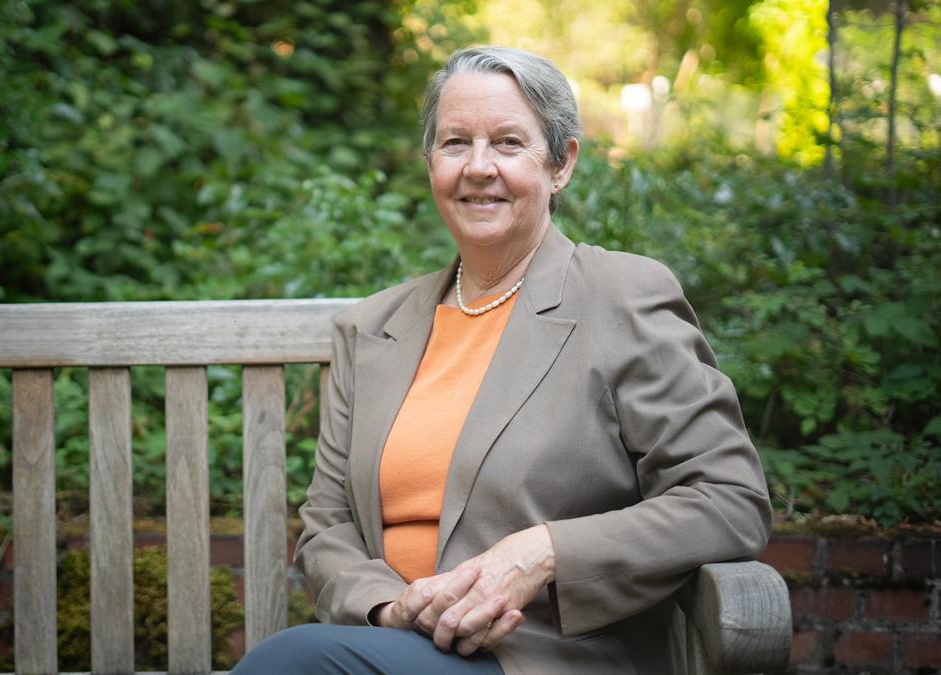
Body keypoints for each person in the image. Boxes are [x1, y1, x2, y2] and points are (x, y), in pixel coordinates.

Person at [232, 46, 771, 675]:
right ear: (430, 162)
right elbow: (327, 524)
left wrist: (544, 553)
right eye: (455, 142)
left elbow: (729, 500)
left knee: (288, 665)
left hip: (543, 656)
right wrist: (389, 607)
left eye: (509, 143)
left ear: (561, 163)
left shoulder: (620, 297)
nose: (478, 167)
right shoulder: (373, 328)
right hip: (388, 647)